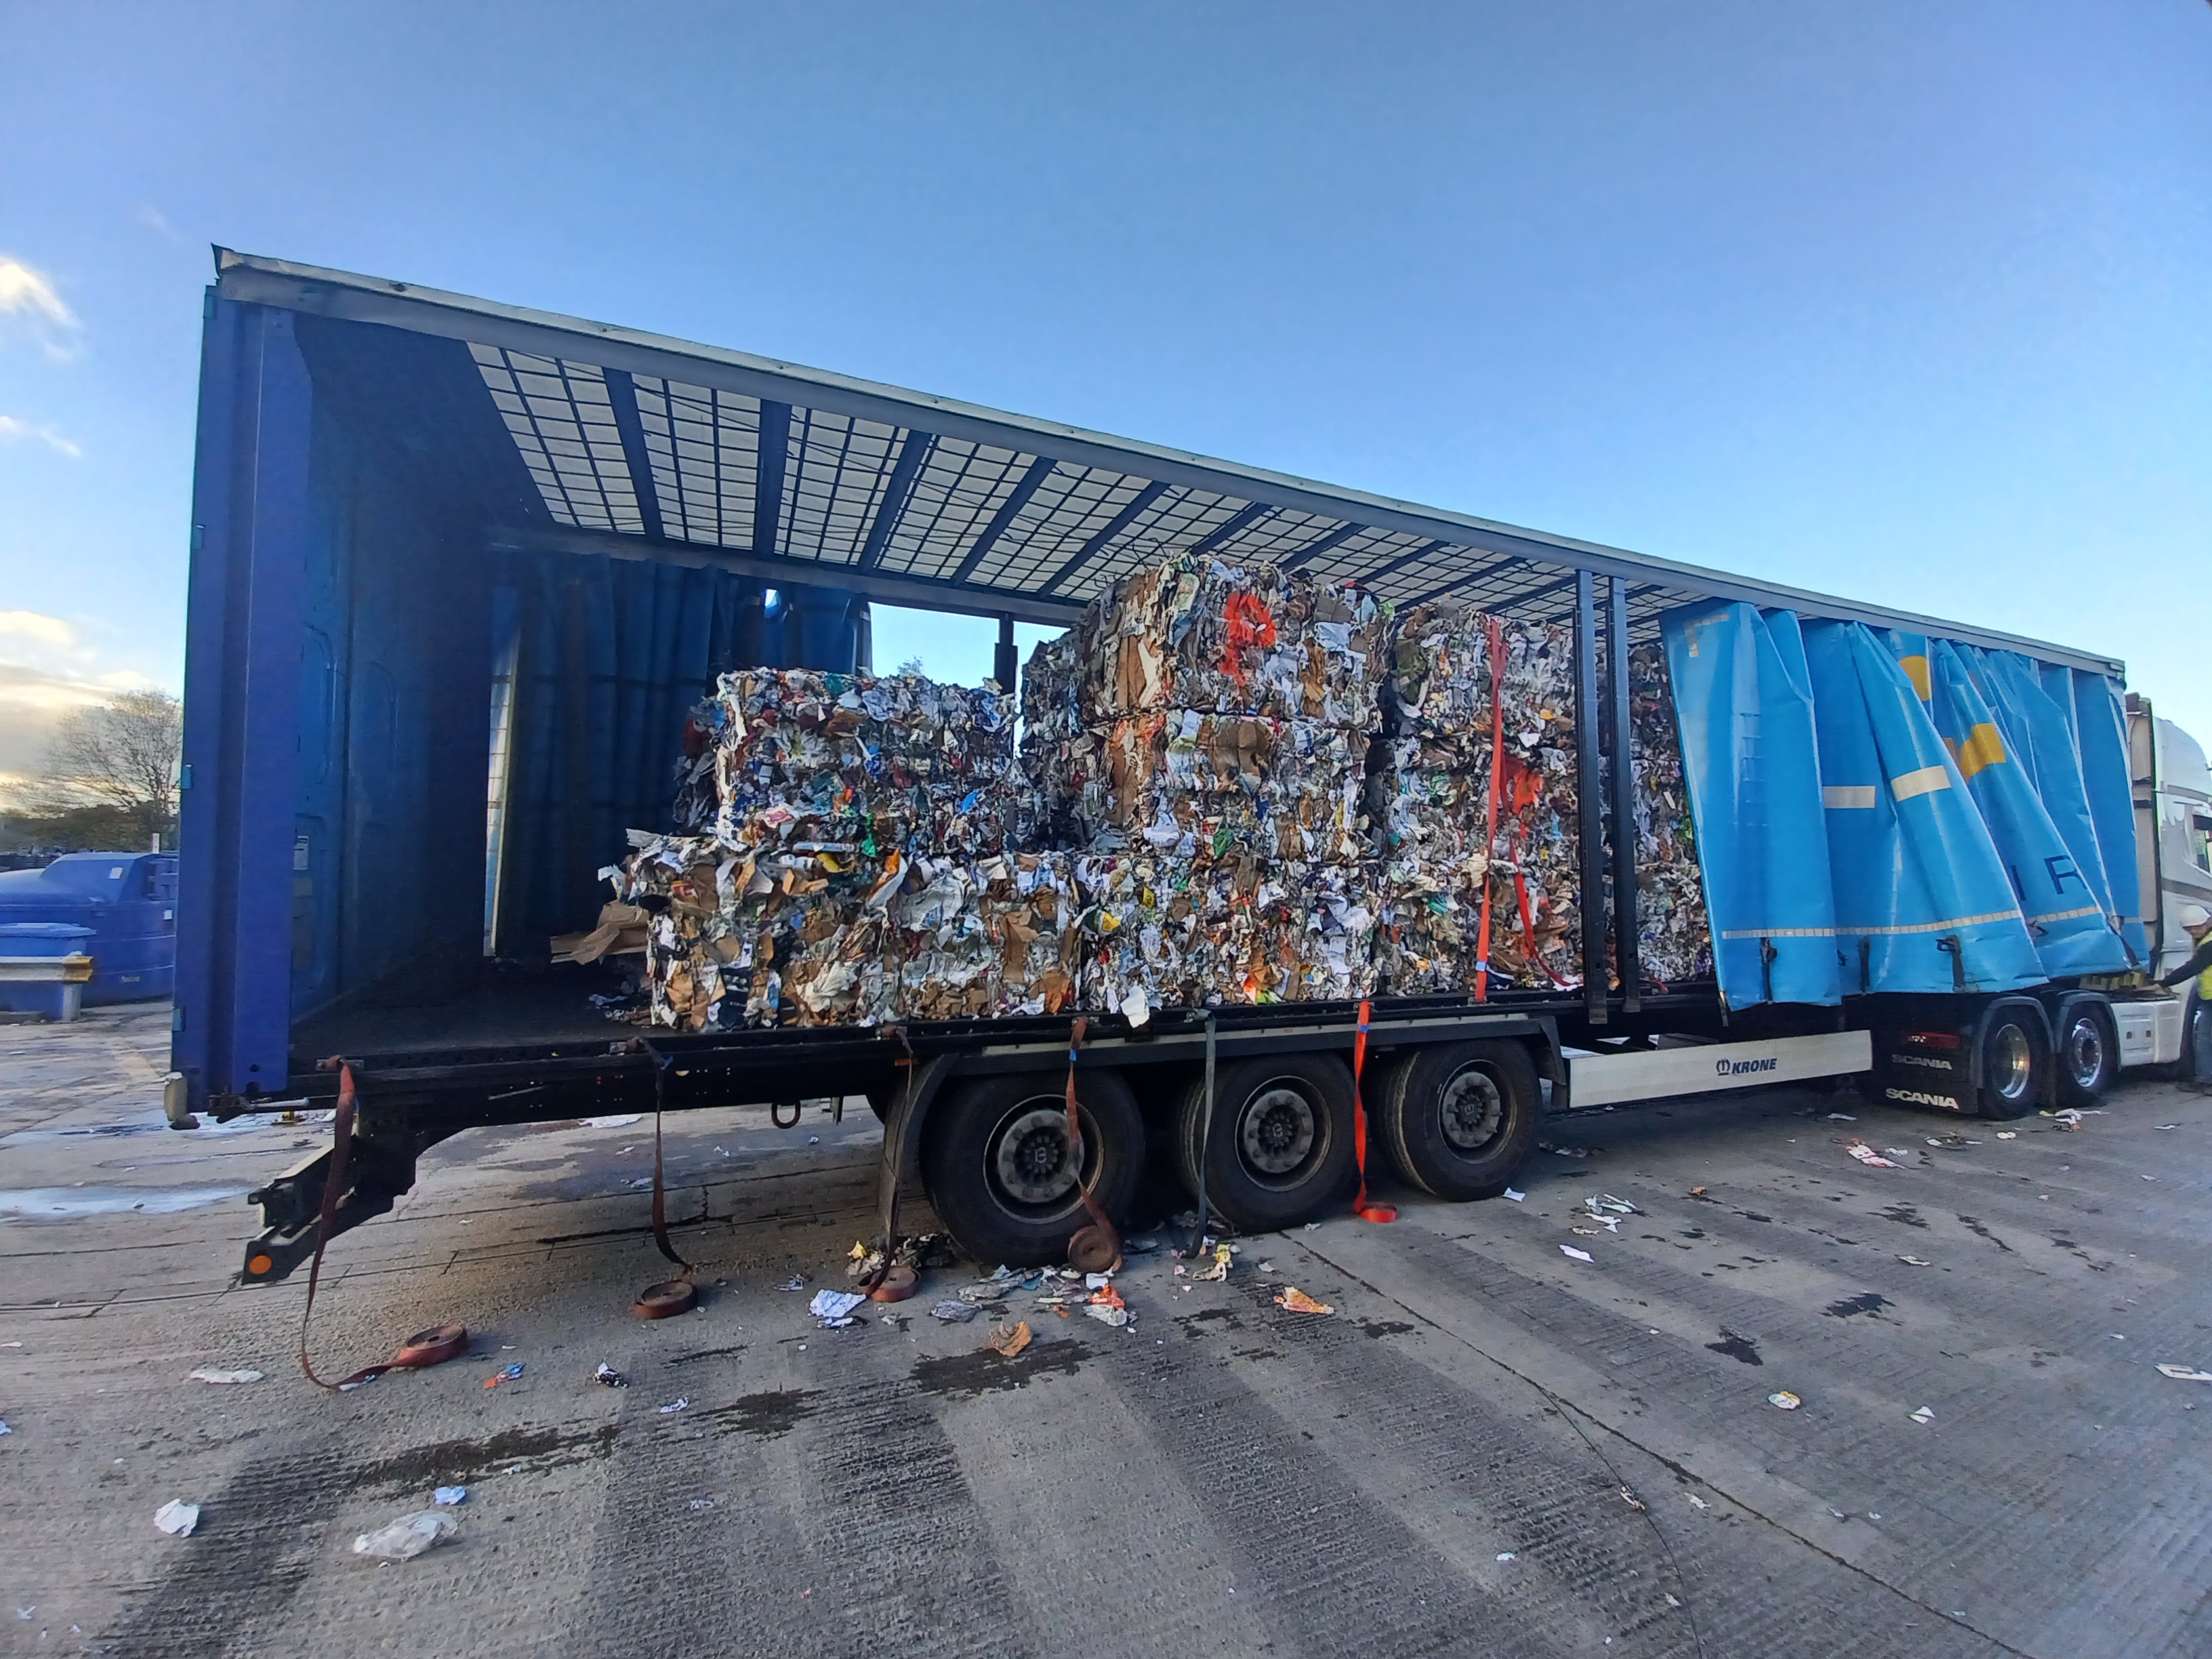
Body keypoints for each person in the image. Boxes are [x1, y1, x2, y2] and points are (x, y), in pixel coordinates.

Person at [2160, 903, 2212, 1092]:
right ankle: (2205, 1080)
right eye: (2189, 929)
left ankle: (2205, 1079)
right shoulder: (2205, 940)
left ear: (2208, 923)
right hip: (2208, 998)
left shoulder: (2210, 944)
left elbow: (2192, 967)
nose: (2193, 932)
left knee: (2205, 1038)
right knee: (2203, 1038)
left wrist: (2163, 983)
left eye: (2197, 927)